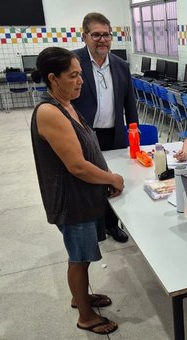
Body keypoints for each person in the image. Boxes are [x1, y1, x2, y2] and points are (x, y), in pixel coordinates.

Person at [30, 47, 123, 335]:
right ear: (53, 78)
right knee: (79, 259)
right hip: (72, 201)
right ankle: (85, 314)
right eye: (73, 76)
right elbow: (77, 166)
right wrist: (112, 178)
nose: (80, 80)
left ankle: (80, 297)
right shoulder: (50, 111)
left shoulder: (67, 103)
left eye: (80, 74)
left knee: (82, 255)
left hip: (84, 196)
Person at [72, 12, 138, 243]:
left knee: (114, 179)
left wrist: (133, 130)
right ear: (85, 36)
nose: (102, 40)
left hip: (114, 133)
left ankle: (112, 224)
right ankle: (93, 225)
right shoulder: (73, 62)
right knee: (90, 180)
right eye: (96, 35)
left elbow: (130, 102)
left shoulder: (120, 65)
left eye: (107, 35)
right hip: (85, 134)